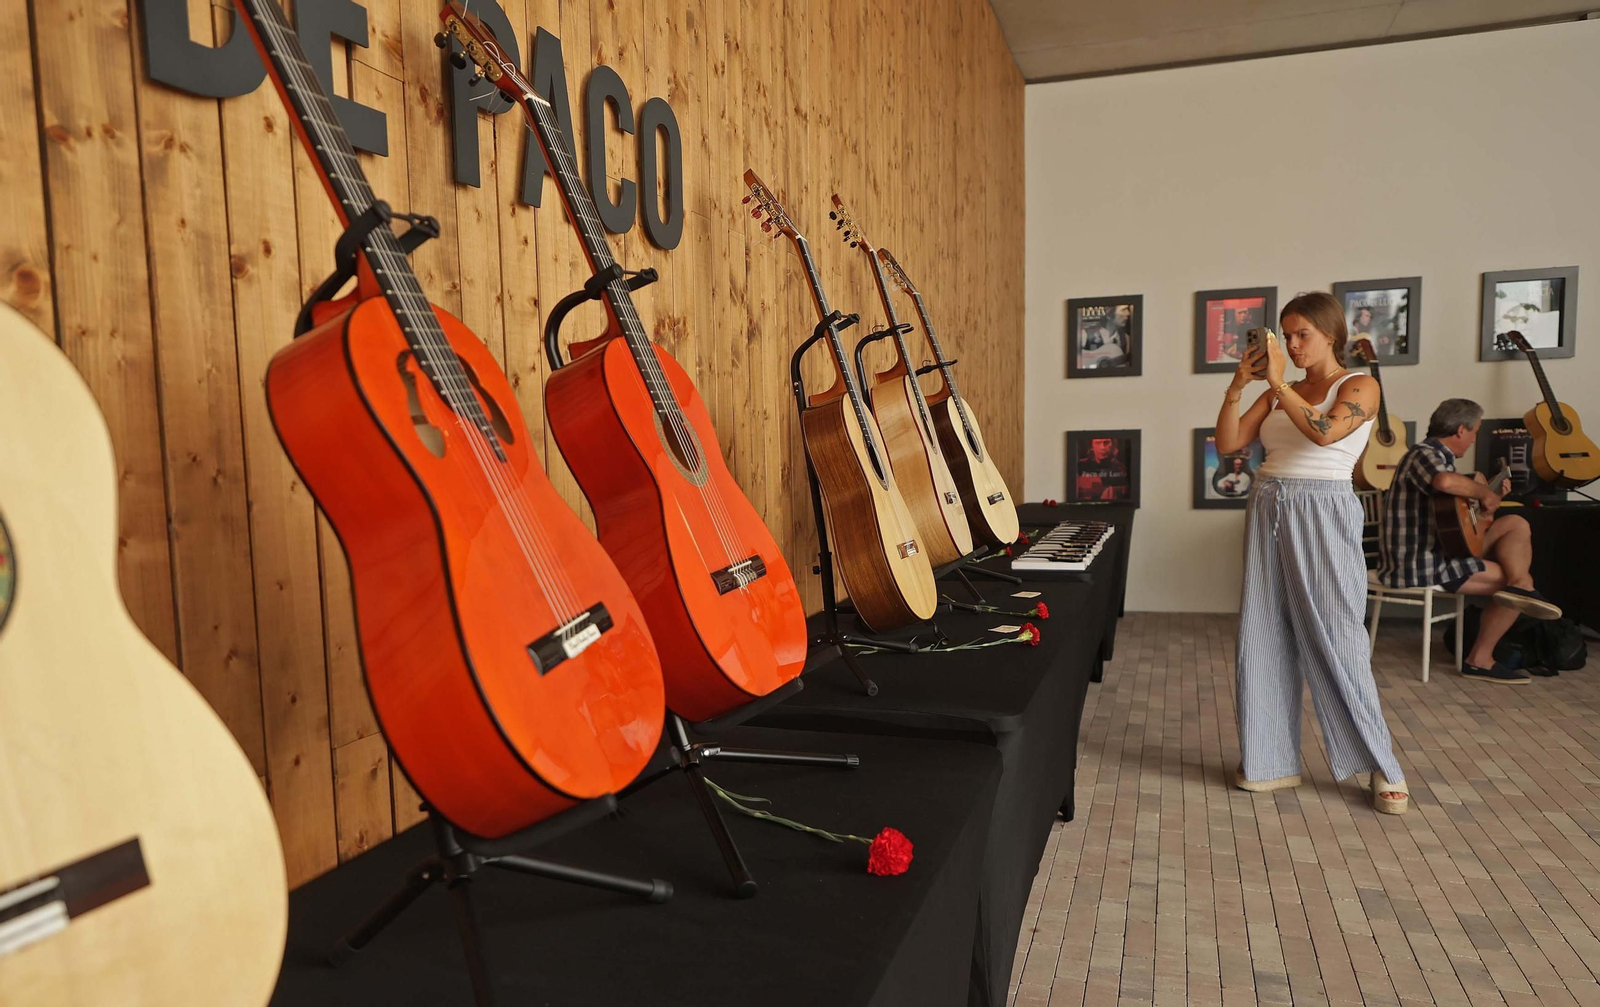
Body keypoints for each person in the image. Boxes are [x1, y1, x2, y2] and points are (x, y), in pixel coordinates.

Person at [1215, 291, 1410, 814]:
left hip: (1322, 506)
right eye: (1287, 335)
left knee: (1339, 635)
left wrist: (1278, 384)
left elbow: (1326, 434)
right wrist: (1239, 385)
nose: (1293, 345)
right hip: (1266, 502)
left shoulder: (1360, 385)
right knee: (1262, 630)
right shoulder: (1285, 390)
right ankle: (1269, 758)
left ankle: (1382, 766)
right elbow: (1230, 442)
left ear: (1331, 334)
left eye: (1303, 334)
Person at [1376, 399, 1562, 684]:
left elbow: (1459, 520)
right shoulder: (1423, 454)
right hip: (1419, 562)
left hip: (1443, 550)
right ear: (1461, 430)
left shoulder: (1442, 460)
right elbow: (1444, 483)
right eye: (1475, 432)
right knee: (1512, 584)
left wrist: (1488, 495)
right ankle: (1480, 659)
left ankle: (1521, 586)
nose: (1475, 439)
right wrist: (1482, 493)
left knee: (1516, 524)